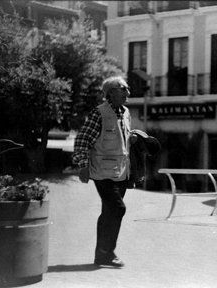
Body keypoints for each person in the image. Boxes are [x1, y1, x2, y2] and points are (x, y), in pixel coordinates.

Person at [72, 75, 133, 268]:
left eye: (127, 89)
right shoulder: (99, 113)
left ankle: (103, 255)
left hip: (121, 172)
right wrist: (82, 165)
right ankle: (108, 252)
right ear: (110, 93)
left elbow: (124, 140)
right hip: (102, 172)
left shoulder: (126, 112)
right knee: (118, 208)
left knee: (108, 212)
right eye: (123, 89)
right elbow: (82, 140)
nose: (127, 92)